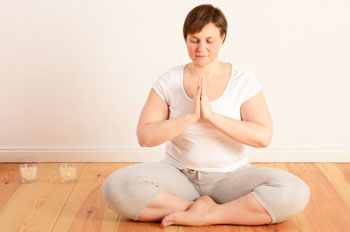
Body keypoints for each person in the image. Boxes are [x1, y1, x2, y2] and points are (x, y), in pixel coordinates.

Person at [102, 4, 310, 227]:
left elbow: (263, 137)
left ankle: (210, 214)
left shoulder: (243, 80)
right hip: (178, 176)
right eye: (194, 40)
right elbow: (145, 137)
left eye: (209, 41)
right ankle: (200, 209)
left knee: (295, 192)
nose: (201, 48)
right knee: (116, 186)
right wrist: (190, 117)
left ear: (222, 38)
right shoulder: (169, 80)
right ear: (186, 40)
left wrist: (212, 116)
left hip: (232, 177)